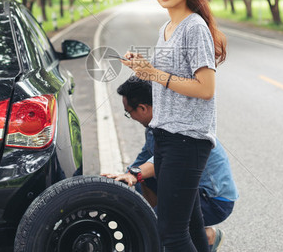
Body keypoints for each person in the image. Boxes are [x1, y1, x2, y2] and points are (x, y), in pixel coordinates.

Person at [118, 0, 227, 252]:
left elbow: (206, 88)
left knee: (171, 233)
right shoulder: (165, 29)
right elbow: (165, 79)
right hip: (166, 136)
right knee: (190, 229)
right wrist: (144, 69)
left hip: (187, 140)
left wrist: (154, 72)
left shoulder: (194, 27)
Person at [102, 77, 238, 252]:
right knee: (139, 190)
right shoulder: (155, 126)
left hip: (213, 199)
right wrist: (120, 181)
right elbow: (144, 159)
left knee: (156, 228)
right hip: (188, 187)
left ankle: (204, 236)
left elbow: (164, 160)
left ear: (143, 108)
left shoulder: (175, 125)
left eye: (129, 112)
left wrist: (135, 173)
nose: (130, 117)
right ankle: (198, 235)